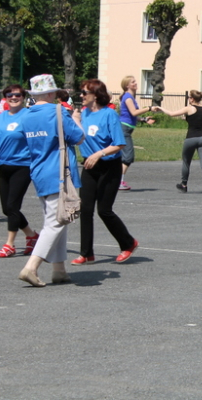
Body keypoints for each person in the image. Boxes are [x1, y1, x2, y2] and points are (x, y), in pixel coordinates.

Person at [17, 74, 85, 287]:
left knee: (57, 219)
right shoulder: (58, 112)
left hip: (39, 172)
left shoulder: (26, 115)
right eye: (54, 90)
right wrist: (76, 119)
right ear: (49, 92)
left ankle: (59, 270)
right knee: (56, 222)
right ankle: (31, 266)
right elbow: (79, 137)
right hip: (60, 173)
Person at [71, 79, 140, 266]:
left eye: (85, 93)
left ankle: (128, 243)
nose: (81, 96)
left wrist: (99, 154)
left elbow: (119, 144)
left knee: (104, 210)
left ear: (96, 94)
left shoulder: (109, 114)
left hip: (109, 166)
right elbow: (80, 137)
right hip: (90, 166)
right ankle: (86, 253)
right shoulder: (84, 113)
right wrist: (76, 120)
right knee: (85, 210)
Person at [0, 85, 39, 258]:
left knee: (13, 205)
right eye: (9, 95)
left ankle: (9, 244)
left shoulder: (28, 116)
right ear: (5, 97)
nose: (13, 97)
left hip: (22, 165)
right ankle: (32, 236)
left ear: (23, 96)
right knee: (7, 209)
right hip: (3, 165)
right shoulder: (0, 117)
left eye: (17, 95)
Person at [153, 90, 202, 195]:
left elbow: (172, 114)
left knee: (186, 162)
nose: (189, 100)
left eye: (189, 98)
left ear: (192, 99)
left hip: (191, 138)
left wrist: (160, 108)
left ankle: (184, 185)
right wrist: (188, 119)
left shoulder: (189, 108)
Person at [118, 75, 155, 191]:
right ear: (127, 85)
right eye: (133, 82)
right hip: (124, 129)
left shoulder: (130, 97)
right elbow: (134, 112)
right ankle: (119, 181)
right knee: (128, 157)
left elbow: (132, 115)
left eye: (135, 81)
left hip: (127, 129)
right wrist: (149, 108)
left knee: (124, 156)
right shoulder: (128, 97)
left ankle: (118, 180)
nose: (135, 83)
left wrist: (144, 119)